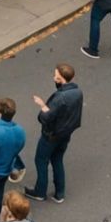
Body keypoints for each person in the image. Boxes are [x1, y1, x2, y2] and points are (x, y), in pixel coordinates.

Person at [25, 63, 82, 203]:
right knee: (57, 160)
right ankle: (59, 193)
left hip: (51, 135)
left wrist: (42, 105)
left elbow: (45, 117)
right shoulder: (78, 92)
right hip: (66, 134)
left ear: (60, 79)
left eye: (56, 76)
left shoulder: (59, 97)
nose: (54, 77)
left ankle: (40, 191)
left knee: (41, 161)